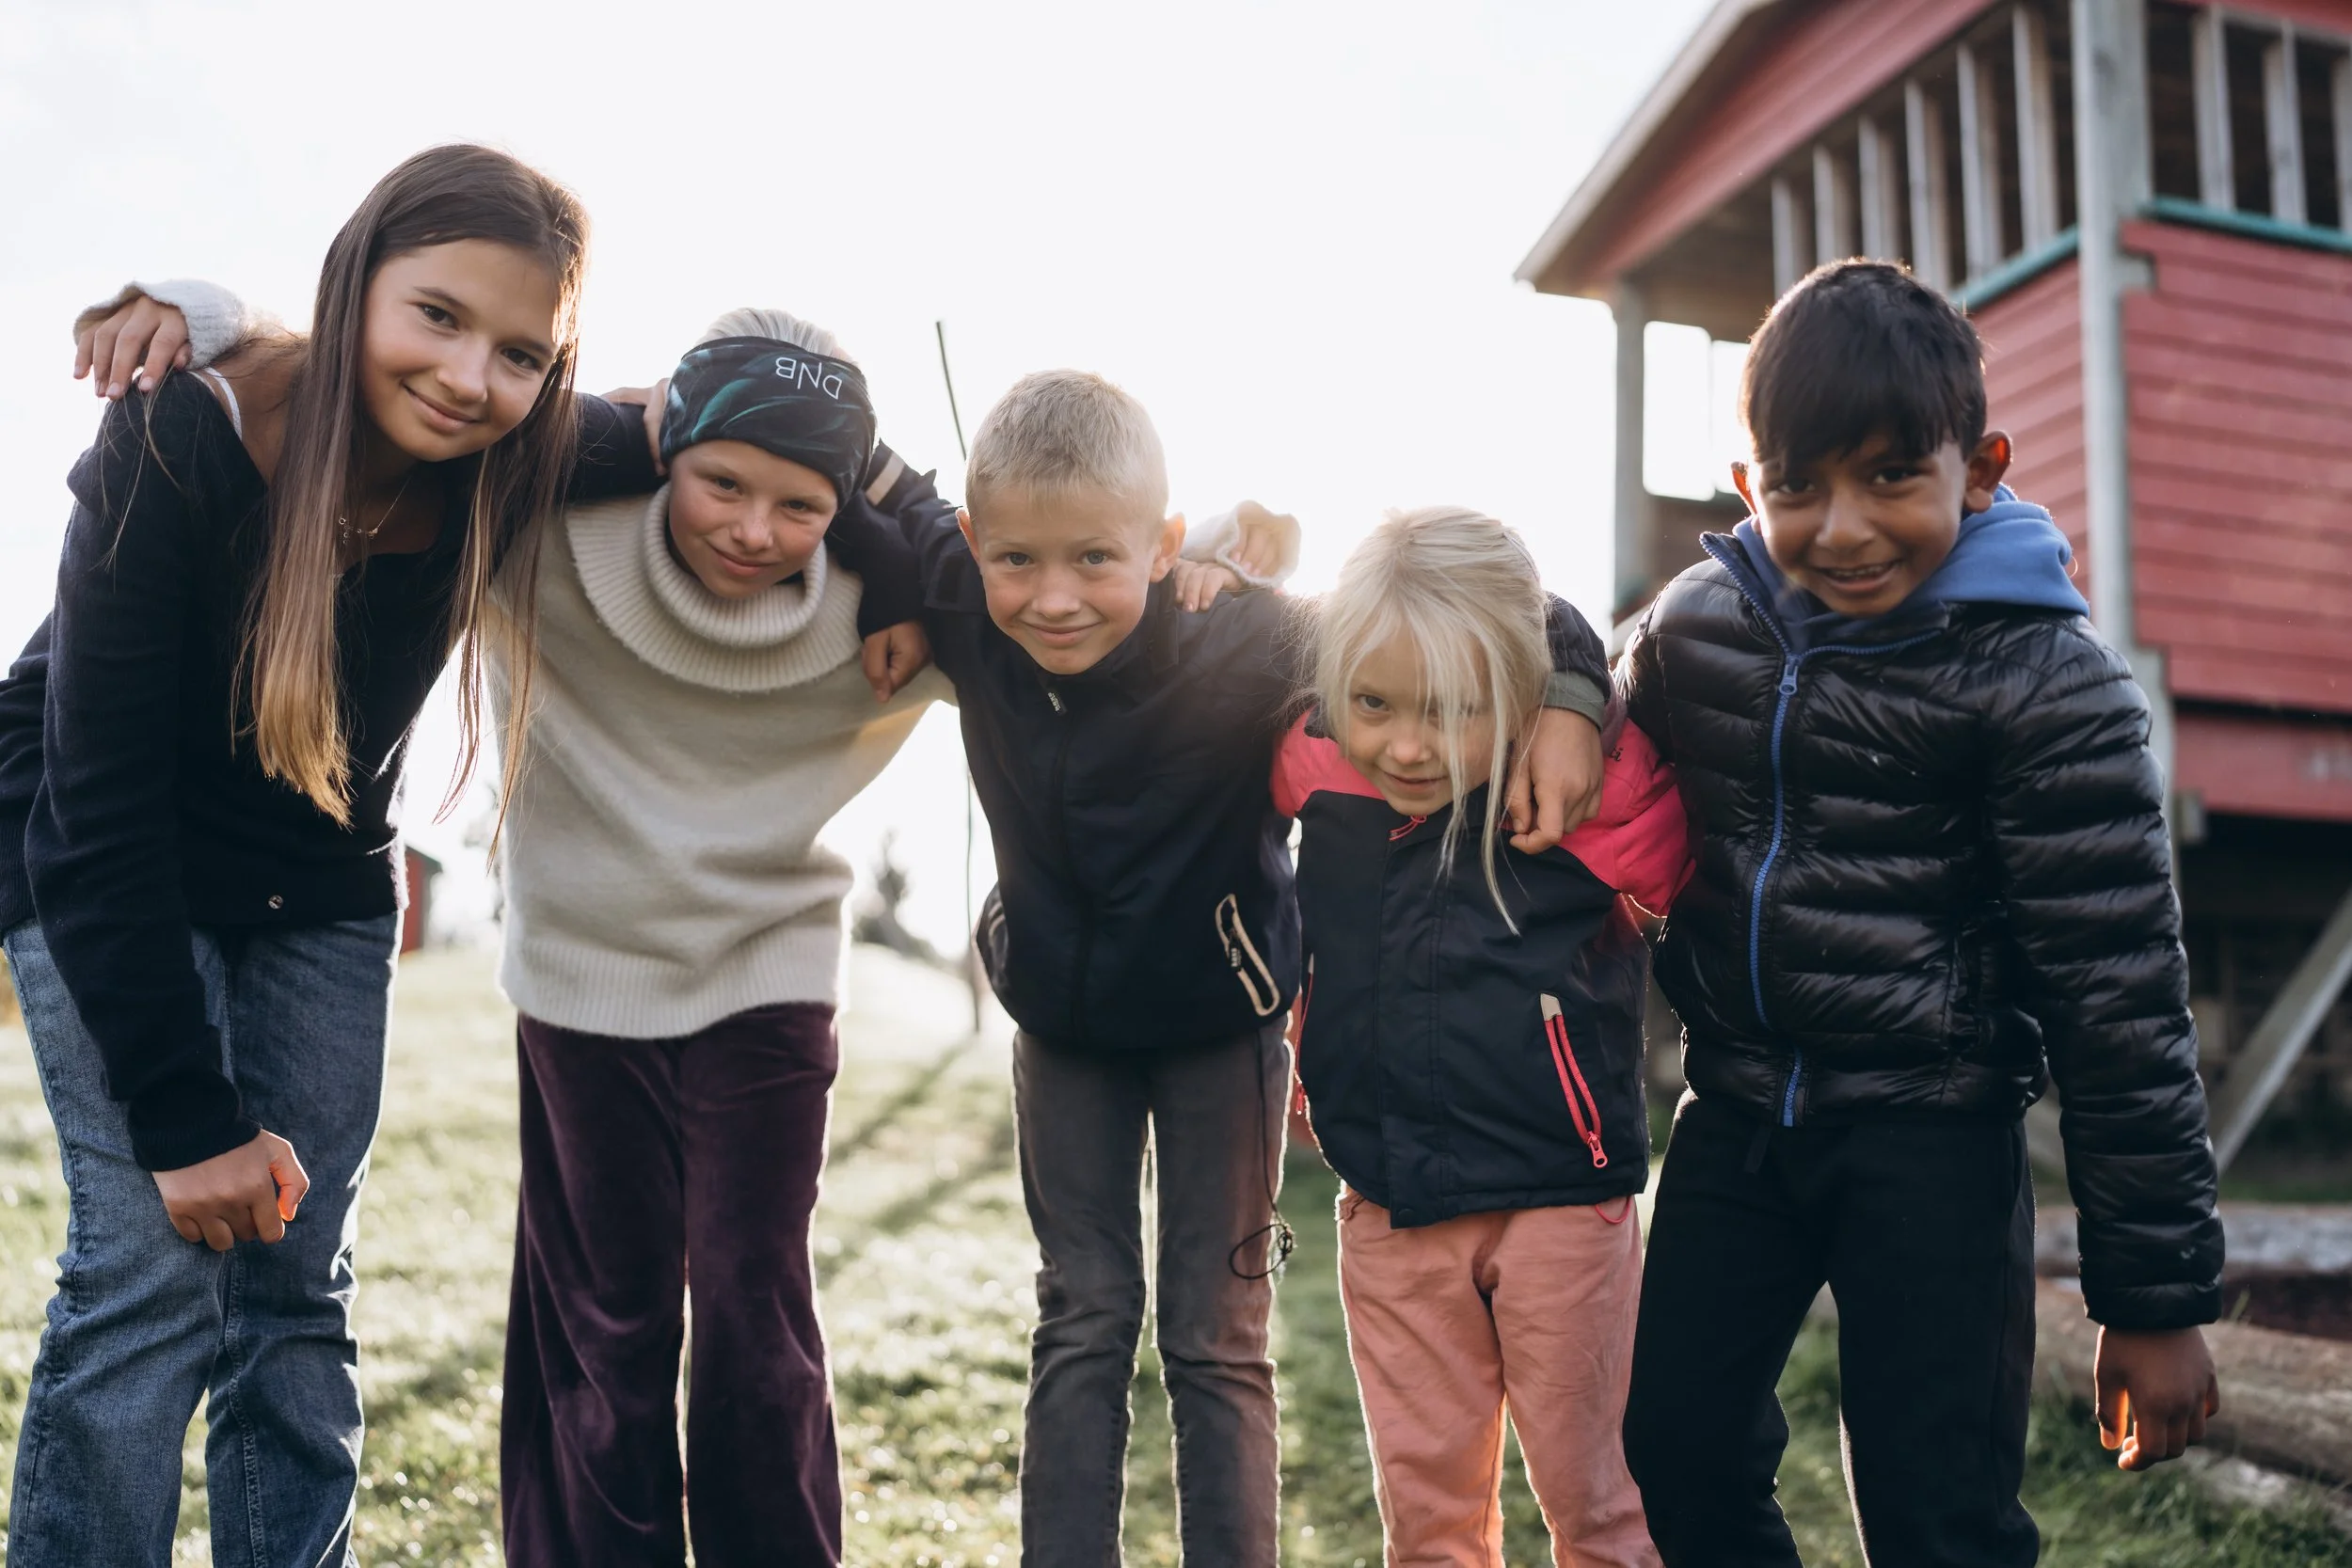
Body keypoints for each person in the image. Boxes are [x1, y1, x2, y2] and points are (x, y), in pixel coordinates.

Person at [0, 144, 644, 1568]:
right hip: (102, 852)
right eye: (438, 316)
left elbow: (723, 424)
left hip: (319, 884)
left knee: (299, 1286)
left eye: (522, 353)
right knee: (149, 1272)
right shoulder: (182, 434)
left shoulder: (518, 451)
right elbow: (95, 806)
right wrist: (186, 1117)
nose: (470, 377)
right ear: (357, 283)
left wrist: (921, 543)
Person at [893, 371, 1610, 1566]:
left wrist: (1574, 695)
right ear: (973, 544)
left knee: (1216, 1334)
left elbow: (1489, 607)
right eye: (1016, 559)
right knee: (1079, 1316)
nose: (1053, 597)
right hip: (1061, 1034)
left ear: (1161, 542)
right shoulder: (969, 605)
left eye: (1094, 559)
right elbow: (852, 477)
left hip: (1221, 1039)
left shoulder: (1242, 636)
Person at [1616, 260, 2225, 1567]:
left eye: (1891, 475)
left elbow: (2119, 997)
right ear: (1748, 487)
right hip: (1736, 1117)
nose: (1843, 528)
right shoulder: (1698, 628)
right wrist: (1566, 694)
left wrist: (2152, 1295)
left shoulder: (2047, 683)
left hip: (1932, 1141)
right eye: (1798, 487)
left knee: (1932, 1511)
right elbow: (1588, 681)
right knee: (1674, 1443)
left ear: (1981, 468)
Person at [1273, 505, 1685, 1567]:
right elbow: (1226, 653)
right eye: (1373, 703)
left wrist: (1582, 707)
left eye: (1452, 710)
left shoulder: (1576, 779)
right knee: (1429, 1521)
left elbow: (1680, 873)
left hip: (1563, 1197)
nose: (1406, 745)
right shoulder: (1313, 760)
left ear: (1515, 688)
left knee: (1600, 1501)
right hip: (1389, 1197)